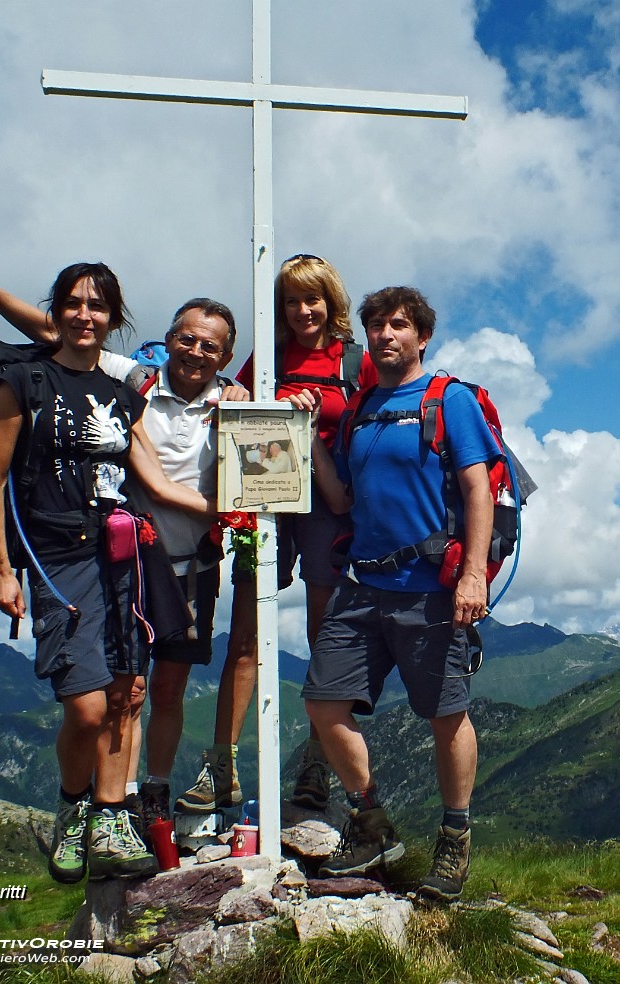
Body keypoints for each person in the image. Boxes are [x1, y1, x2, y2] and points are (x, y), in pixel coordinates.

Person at [0, 218, 247, 834]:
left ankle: (135, 806)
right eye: (187, 339)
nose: (197, 352)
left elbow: (182, 477)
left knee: (146, 693)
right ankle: (86, 807)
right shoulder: (112, 382)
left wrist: (239, 503)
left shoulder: (204, 401)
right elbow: (55, 336)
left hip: (163, 562)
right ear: (165, 340)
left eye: (211, 346)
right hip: (94, 556)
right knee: (102, 702)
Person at [305, 286, 500, 904]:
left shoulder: (451, 400)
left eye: (398, 325)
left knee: (447, 715)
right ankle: (372, 824)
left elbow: (478, 491)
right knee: (323, 703)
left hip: (430, 590)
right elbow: (340, 499)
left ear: (421, 336)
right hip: (362, 587)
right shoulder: (361, 408)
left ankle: (455, 838)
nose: (385, 335)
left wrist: (472, 576)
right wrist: (307, 438)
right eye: (375, 327)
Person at [175, 253, 376, 816]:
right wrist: (238, 397)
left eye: (312, 298)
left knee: (324, 638)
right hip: (264, 492)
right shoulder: (268, 358)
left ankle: (318, 766)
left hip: (328, 504)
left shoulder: (352, 361)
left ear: (331, 302)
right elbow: (230, 408)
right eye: (292, 299)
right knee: (245, 633)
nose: (303, 309)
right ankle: (222, 768)